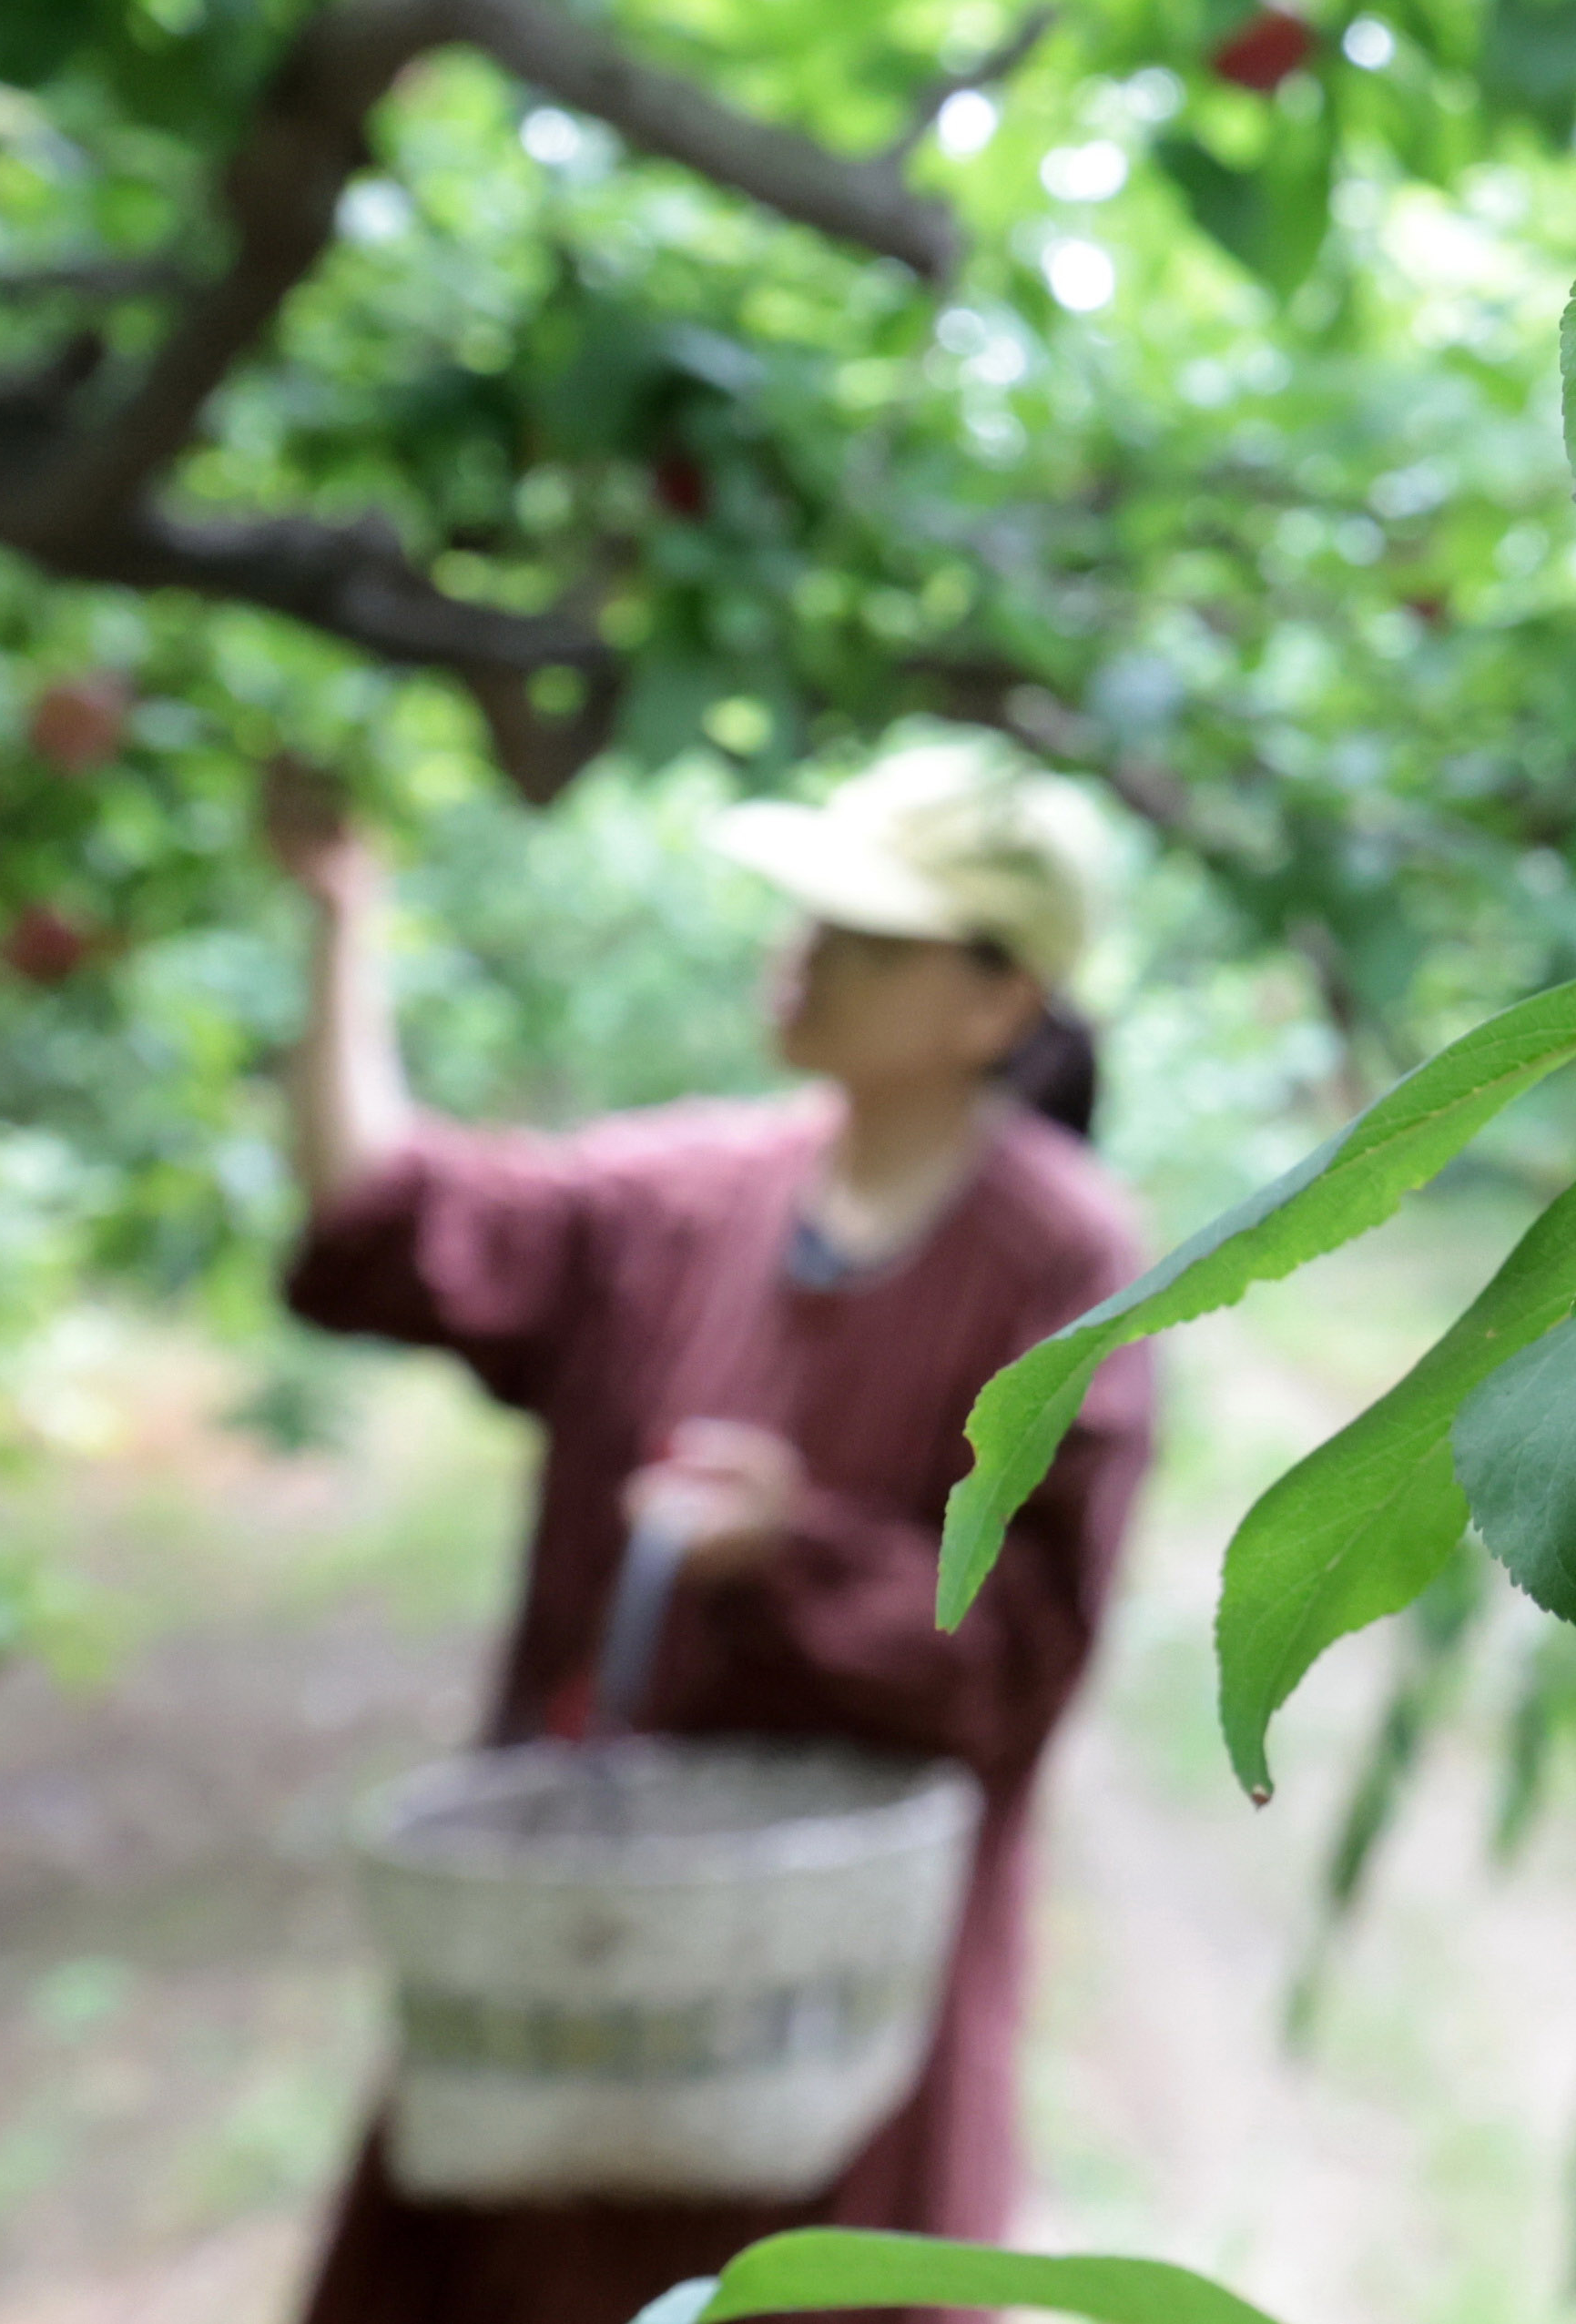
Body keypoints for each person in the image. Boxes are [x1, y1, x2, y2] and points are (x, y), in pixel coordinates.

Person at [265, 742, 1158, 2324]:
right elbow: (391, 1224)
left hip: (826, 1995)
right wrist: (344, 918)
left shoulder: (1060, 1259)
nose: (803, 957)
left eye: (869, 937)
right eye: (807, 916)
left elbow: (1024, 1653)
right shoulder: (682, 1196)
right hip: (583, 1947)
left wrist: (795, 1549)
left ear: (995, 1004)